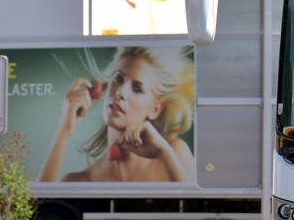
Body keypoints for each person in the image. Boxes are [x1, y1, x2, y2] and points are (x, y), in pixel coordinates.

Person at [40, 46, 195, 183]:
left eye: (137, 88)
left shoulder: (174, 154)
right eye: (118, 78)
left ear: (155, 110)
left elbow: (198, 210)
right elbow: (41, 213)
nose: (120, 91)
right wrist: (64, 131)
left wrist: (163, 153)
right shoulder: (80, 181)